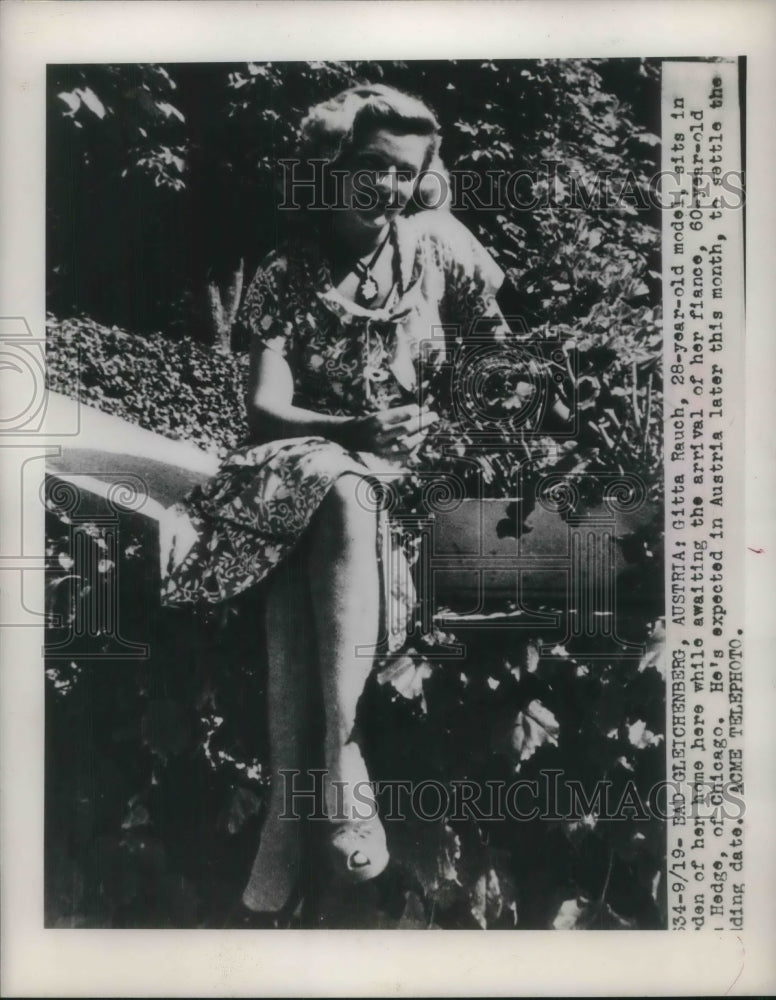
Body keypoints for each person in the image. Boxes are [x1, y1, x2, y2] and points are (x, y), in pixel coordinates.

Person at [160, 83, 517, 926]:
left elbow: (506, 353)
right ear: (330, 168)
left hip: (384, 483)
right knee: (342, 492)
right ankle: (342, 758)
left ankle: (289, 817)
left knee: (308, 567)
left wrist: (457, 422)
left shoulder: (437, 249)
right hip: (303, 461)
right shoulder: (290, 271)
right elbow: (263, 410)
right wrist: (359, 426)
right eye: (367, 167)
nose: (384, 188)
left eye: (402, 173)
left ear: (421, 179)